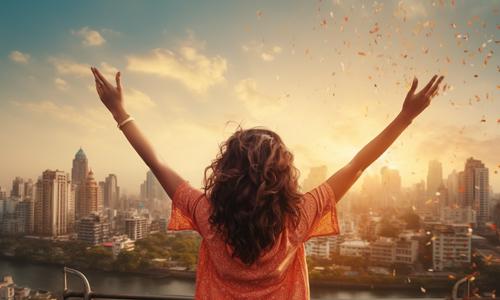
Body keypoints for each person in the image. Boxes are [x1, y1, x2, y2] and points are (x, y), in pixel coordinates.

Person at [91, 67, 444, 299]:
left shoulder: (208, 216)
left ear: (226, 171)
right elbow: (357, 166)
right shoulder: (299, 216)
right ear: (284, 175)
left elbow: (156, 162)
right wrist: (405, 117)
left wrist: (119, 111)